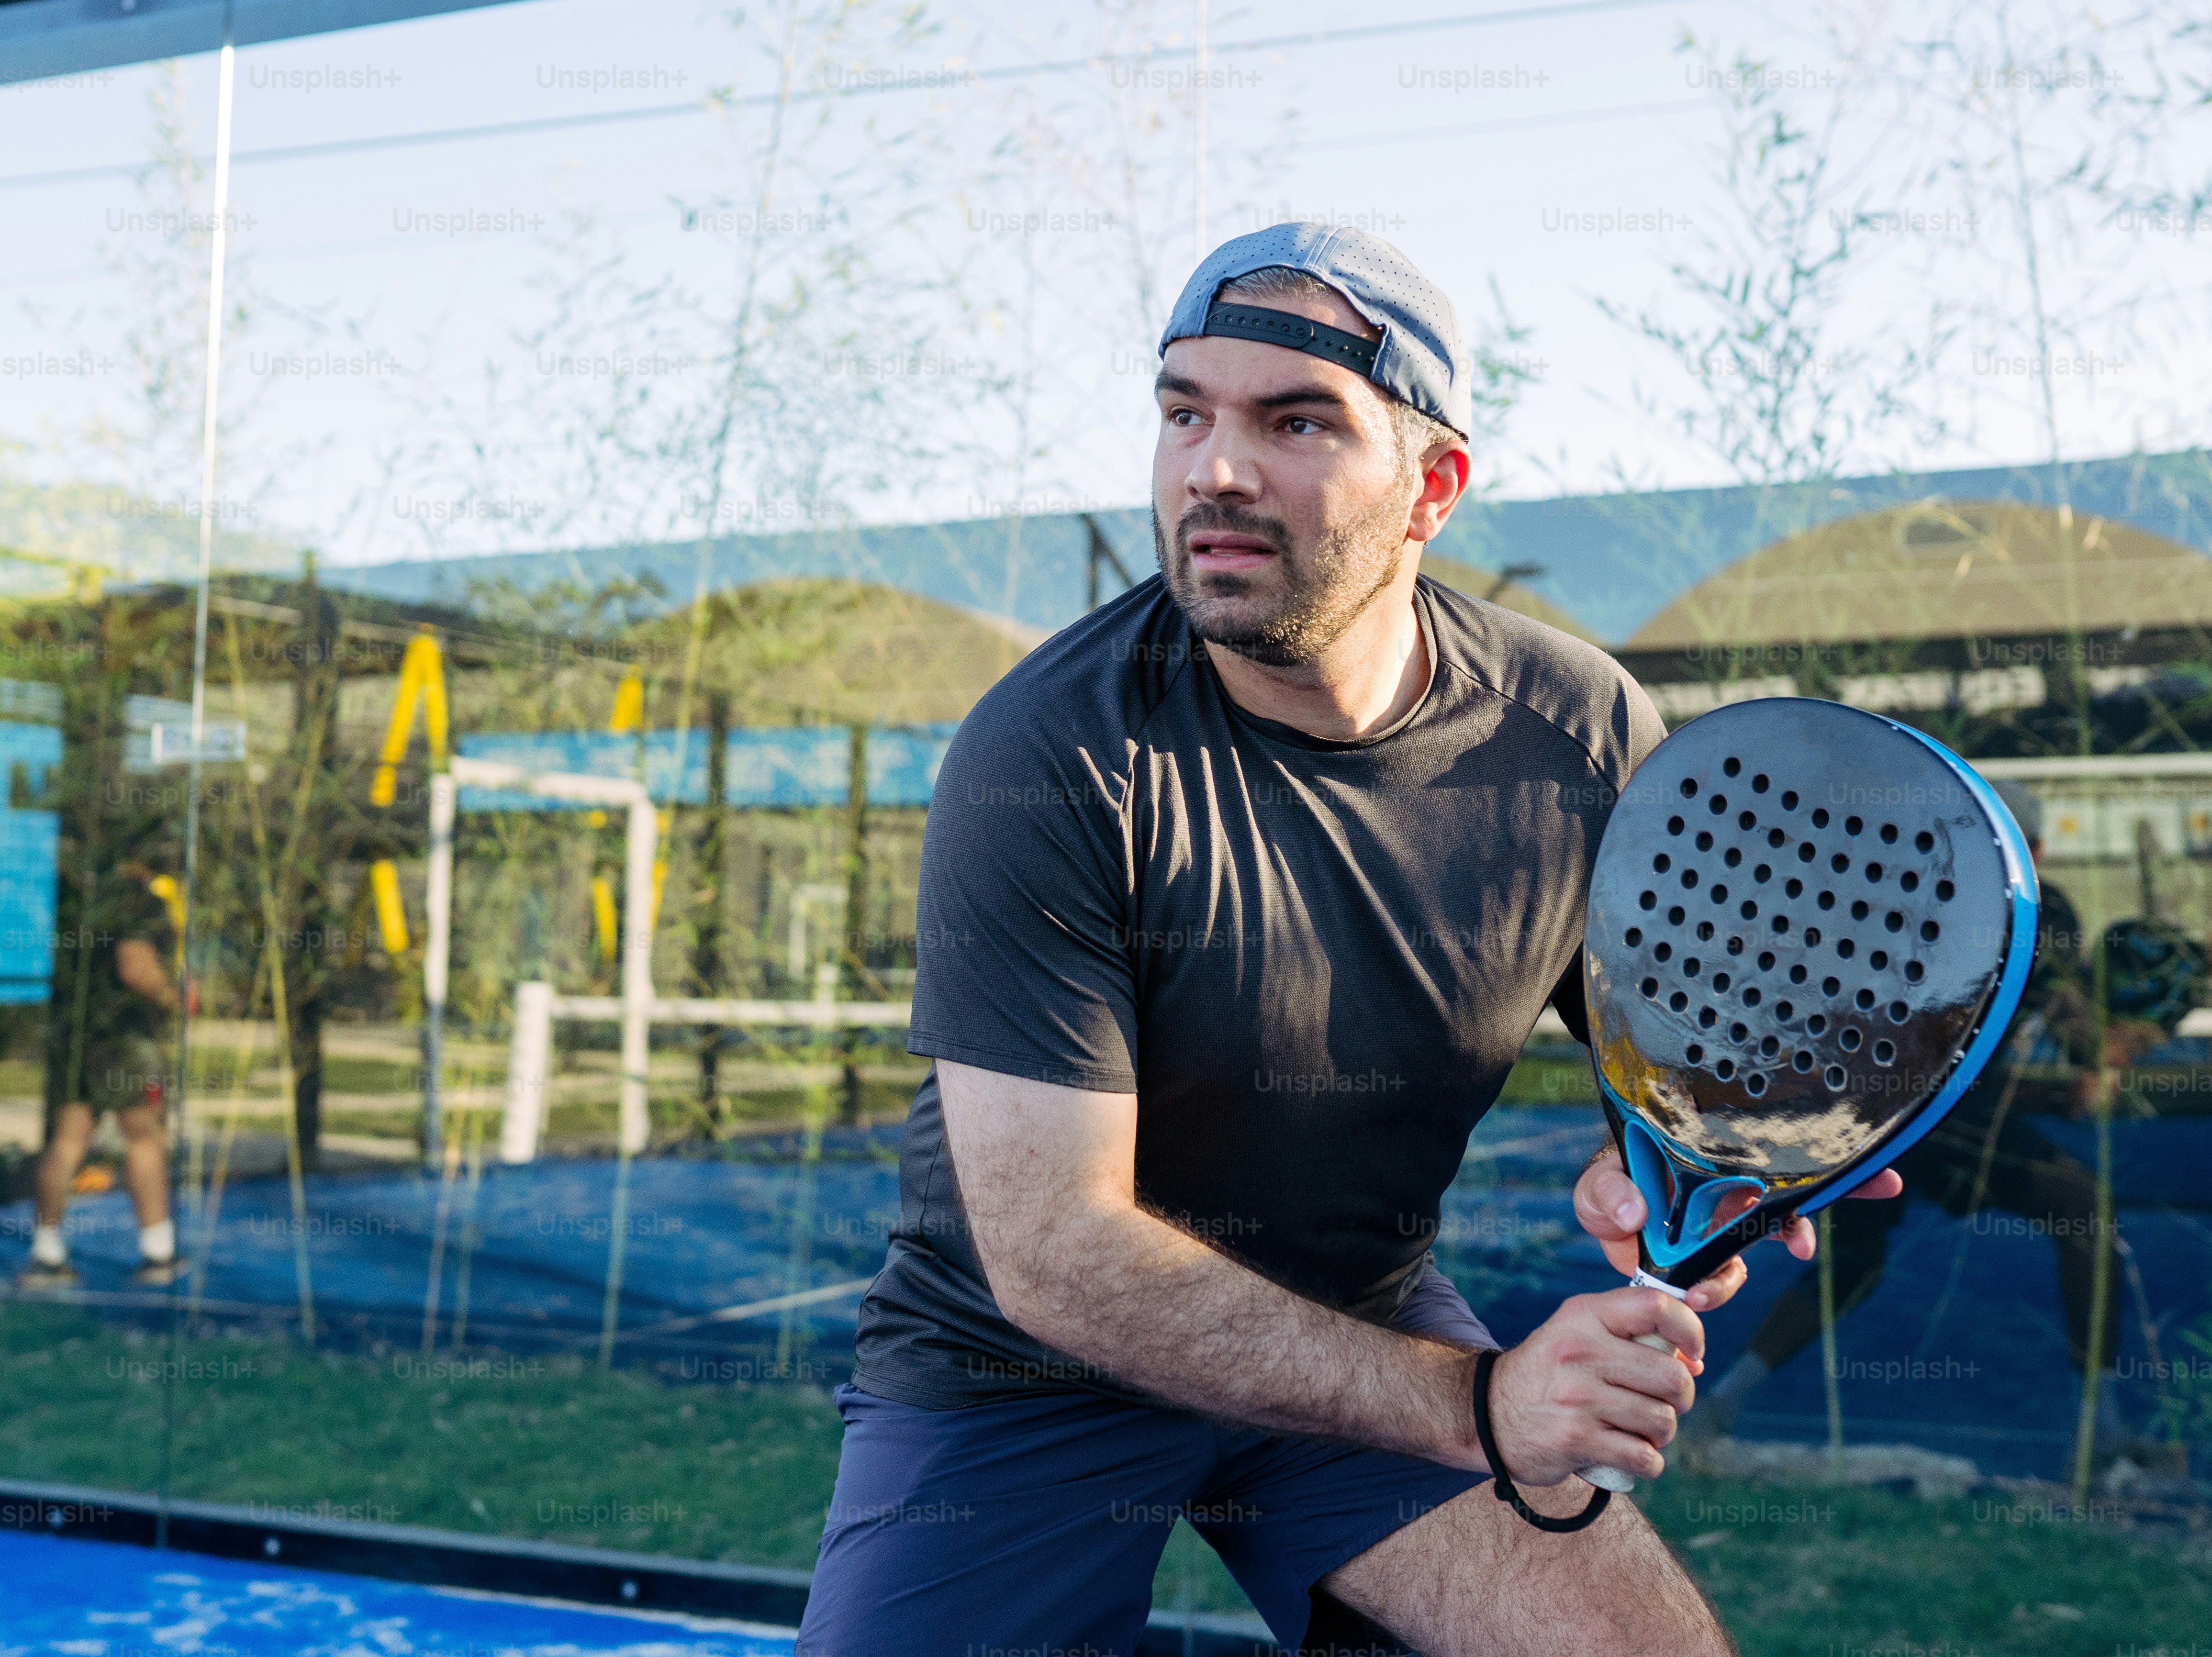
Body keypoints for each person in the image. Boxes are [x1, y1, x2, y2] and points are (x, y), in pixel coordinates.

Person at [799, 225, 1897, 1655]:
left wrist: (1682, 1154)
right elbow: (1058, 1249)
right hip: (1023, 1370)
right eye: (1182, 411)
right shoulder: (1046, 753)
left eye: (1293, 420)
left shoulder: (1572, 728)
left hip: (1351, 1322)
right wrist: (1478, 1404)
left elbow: (1667, 1058)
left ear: (1431, 487)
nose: (1213, 468)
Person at [1675, 779, 2169, 1459]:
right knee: (2084, 1208)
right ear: (2039, 849)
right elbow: (2071, 1034)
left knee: (1851, 1262)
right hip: (1931, 1118)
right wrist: (2128, 1041)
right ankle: (2103, 1428)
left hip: (1854, 1112)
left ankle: (1720, 1405)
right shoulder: (2035, 905)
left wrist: (2053, 1096)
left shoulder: (1897, 892)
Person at [22, 860, 183, 1290]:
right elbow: (135, 965)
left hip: (74, 1037)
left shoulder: (77, 903)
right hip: (123, 1040)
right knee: (145, 1136)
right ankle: (157, 1251)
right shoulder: (139, 902)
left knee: (68, 1140)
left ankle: (47, 1254)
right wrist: (173, 998)